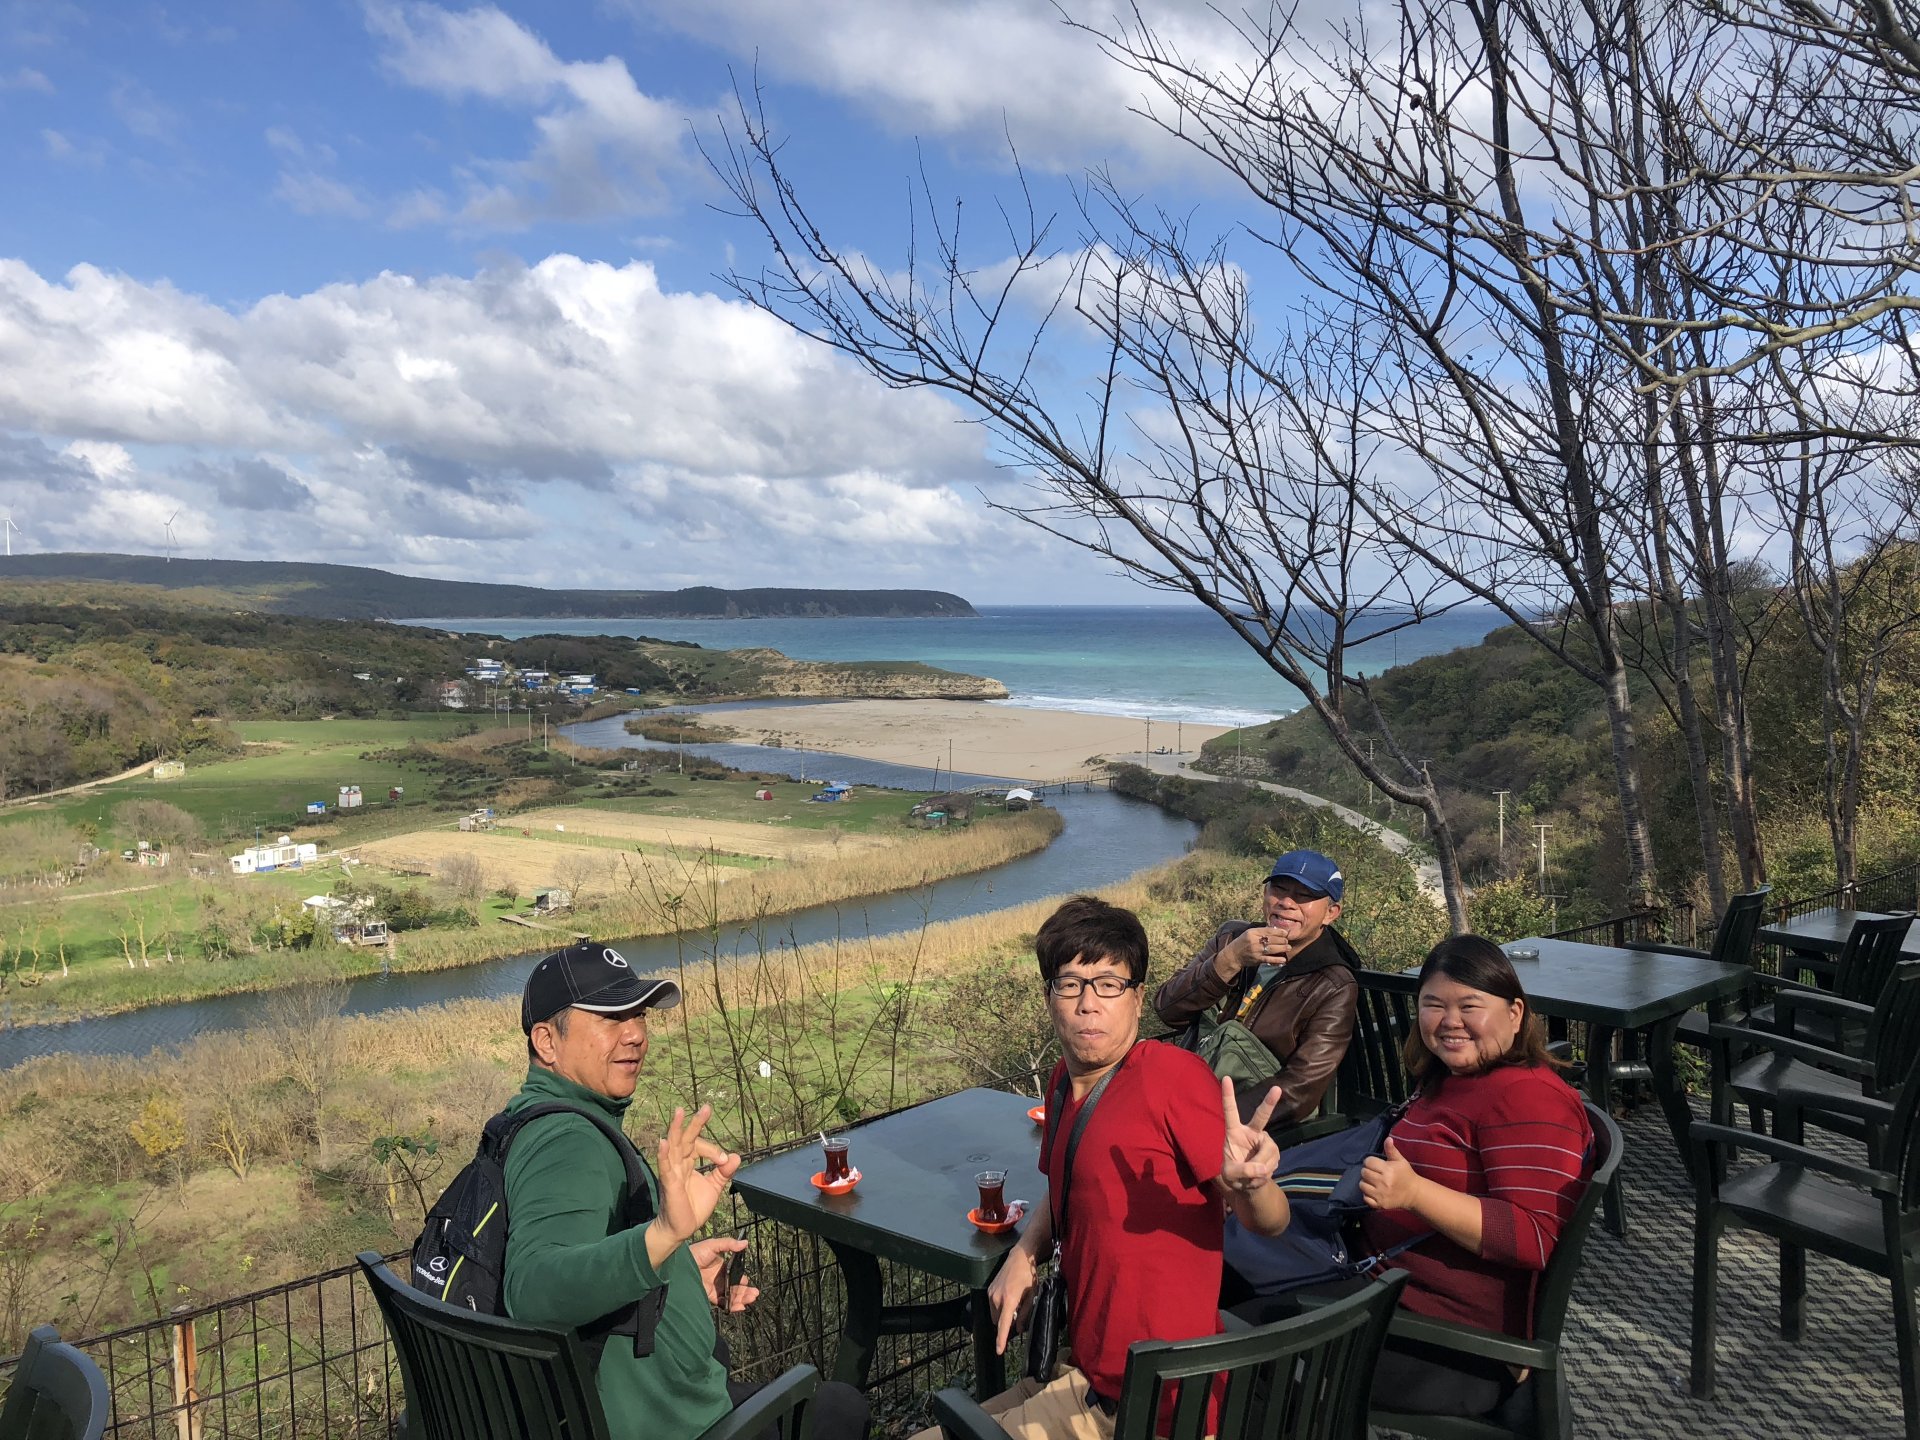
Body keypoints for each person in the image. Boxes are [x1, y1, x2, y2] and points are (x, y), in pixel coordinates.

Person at [919, 896, 1290, 1440]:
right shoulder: (1062, 1086)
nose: (1089, 1003)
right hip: (1080, 1370)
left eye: (1109, 984)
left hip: (1147, 1406)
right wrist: (1025, 1253)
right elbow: (1063, 1185)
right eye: (1071, 984)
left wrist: (1252, 1187)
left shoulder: (1172, 1077)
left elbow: (1270, 1221)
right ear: (1050, 998)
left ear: (1137, 999)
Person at [501, 940, 869, 1440]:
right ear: (547, 1041)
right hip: (680, 1426)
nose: (635, 1036)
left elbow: (592, 1249)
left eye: (640, 1016)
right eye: (611, 1019)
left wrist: (676, 1265)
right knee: (840, 1410)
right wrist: (665, 1234)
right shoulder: (566, 1141)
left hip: (676, 1406)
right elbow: (533, 1293)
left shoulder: (534, 1122)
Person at [1237, 934, 1594, 1420]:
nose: (1450, 1021)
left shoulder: (1529, 1098)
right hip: (1373, 1290)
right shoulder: (1455, 1081)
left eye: (1470, 1005)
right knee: (1217, 1272)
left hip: (1451, 1345)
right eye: (1433, 1004)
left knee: (1227, 1343)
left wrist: (1415, 1193)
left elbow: (1532, 1236)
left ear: (1515, 1014)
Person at [1152, 849, 1359, 1130]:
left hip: (1243, 1122)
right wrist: (1231, 960)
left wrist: (1208, 1118)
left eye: (1304, 896)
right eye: (1279, 889)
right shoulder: (1232, 939)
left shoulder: (1332, 985)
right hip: (1182, 1092)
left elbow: (1300, 1089)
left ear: (1331, 913)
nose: (1286, 902)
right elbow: (1168, 1009)